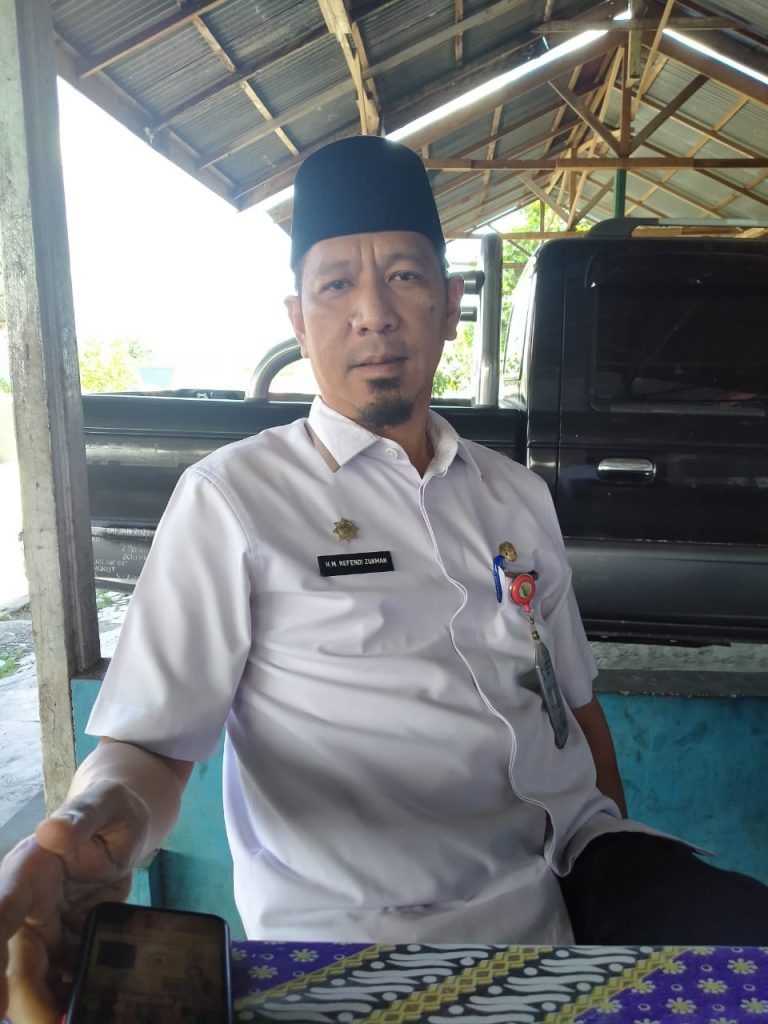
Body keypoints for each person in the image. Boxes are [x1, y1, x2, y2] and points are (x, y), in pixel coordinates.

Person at [2, 136, 767, 1022]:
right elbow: (153, 745)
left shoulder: (513, 495)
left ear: (449, 306)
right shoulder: (235, 499)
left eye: (404, 277)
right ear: (299, 319)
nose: (374, 313)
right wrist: (95, 819)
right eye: (337, 285)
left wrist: (614, 869)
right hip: (362, 941)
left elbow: (575, 705)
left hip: (563, 878)